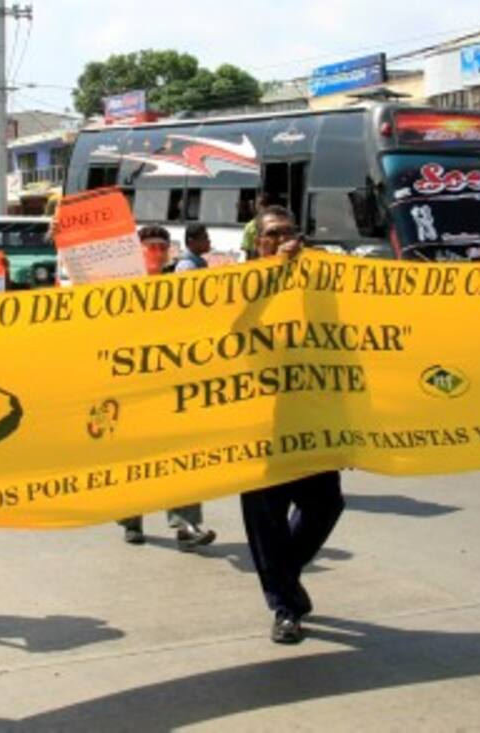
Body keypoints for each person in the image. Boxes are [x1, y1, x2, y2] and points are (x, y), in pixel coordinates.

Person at [240, 205, 345, 644]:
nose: (286, 240)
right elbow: (237, 324)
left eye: (291, 232)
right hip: (258, 421)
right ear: (256, 244)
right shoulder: (235, 284)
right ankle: (285, 607)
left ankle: (284, 574)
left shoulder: (317, 281)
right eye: (274, 234)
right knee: (267, 518)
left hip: (309, 417)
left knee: (326, 504)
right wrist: (278, 273)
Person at [118, 224, 217, 551]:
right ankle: (131, 519)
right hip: (132, 388)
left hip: (173, 387)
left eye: (163, 247)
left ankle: (187, 526)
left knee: (183, 457)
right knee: (135, 460)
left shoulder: (179, 287)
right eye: (151, 247)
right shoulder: (120, 289)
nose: (157, 252)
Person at [241, 193, 277, 257]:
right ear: (256, 206)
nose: (263, 208)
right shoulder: (250, 226)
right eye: (261, 204)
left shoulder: (278, 225)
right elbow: (247, 251)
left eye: (266, 204)